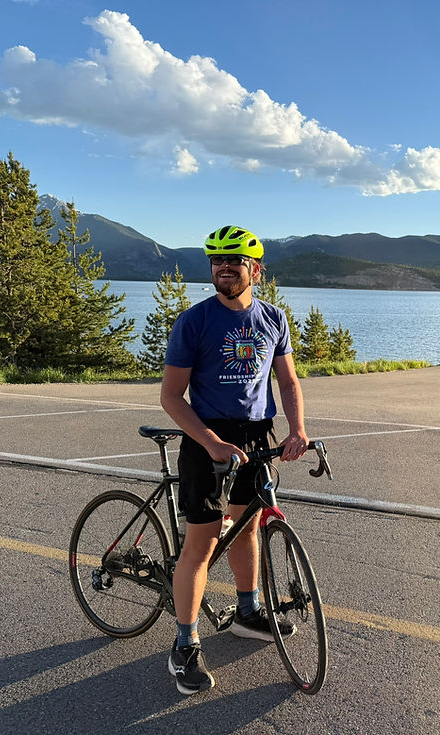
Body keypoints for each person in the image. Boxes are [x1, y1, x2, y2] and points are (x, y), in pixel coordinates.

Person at [160, 225, 309, 695]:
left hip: (257, 434)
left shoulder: (274, 319)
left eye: (235, 261)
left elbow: (288, 382)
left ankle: (247, 612)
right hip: (207, 437)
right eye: (217, 261)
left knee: (247, 527)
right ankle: (184, 646)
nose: (224, 267)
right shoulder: (194, 322)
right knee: (202, 544)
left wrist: (297, 430)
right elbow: (171, 396)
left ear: (255, 270)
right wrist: (210, 443)